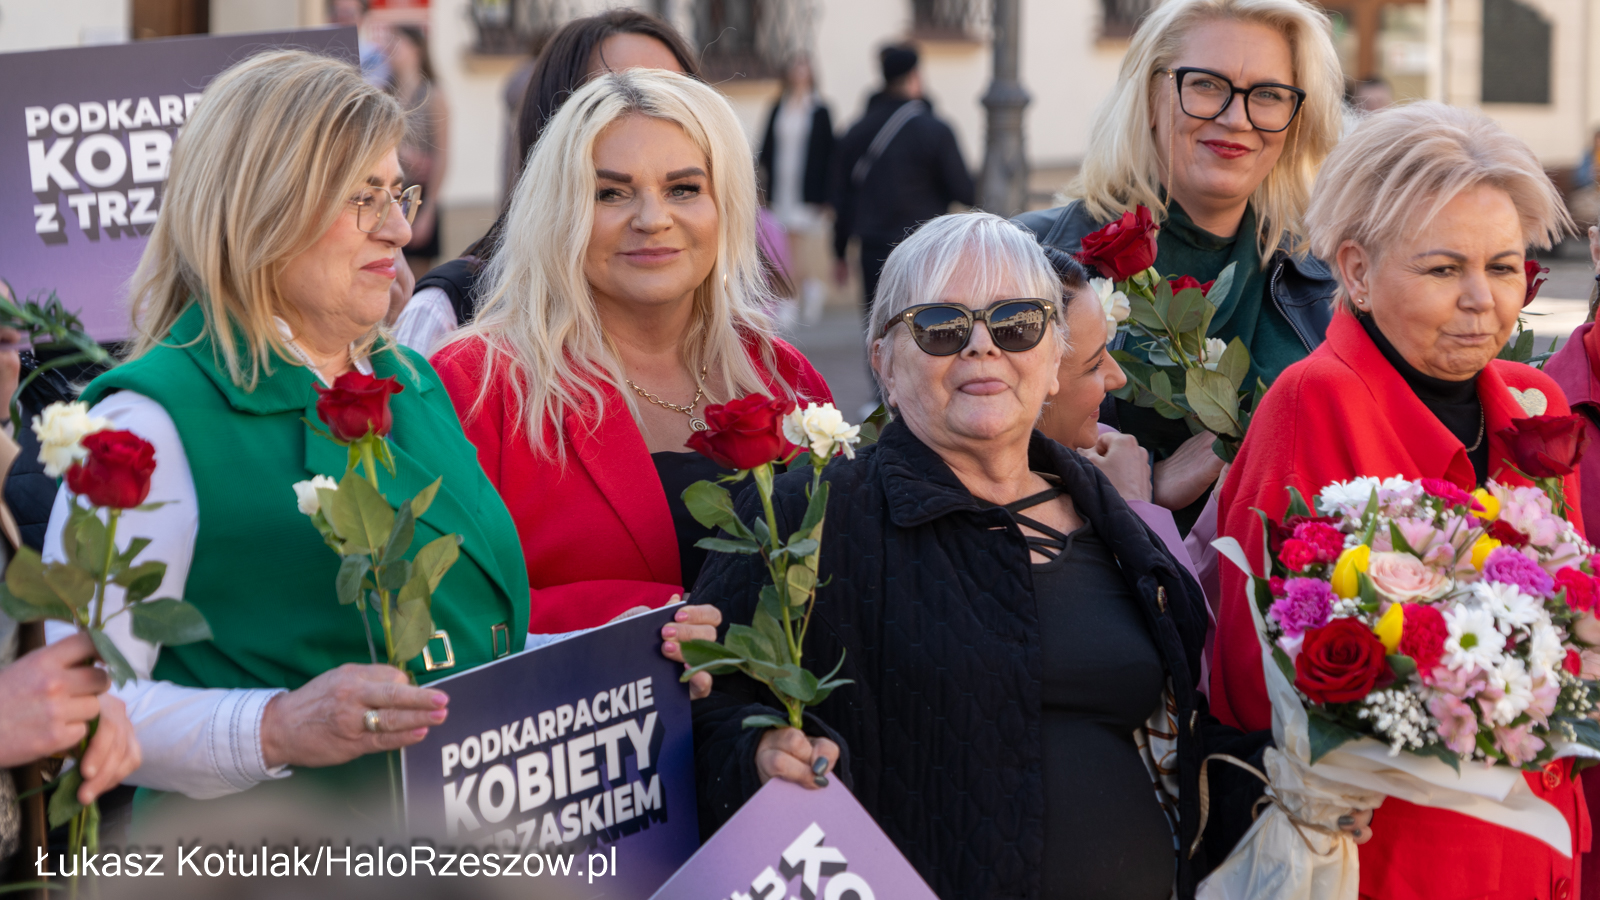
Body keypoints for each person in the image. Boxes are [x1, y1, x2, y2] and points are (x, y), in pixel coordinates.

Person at [33, 51, 700, 812]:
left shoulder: (411, 382)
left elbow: (459, 650)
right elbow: (74, 703)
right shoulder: (147, 422)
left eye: (398, 192)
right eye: (363, 198)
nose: (400, 227)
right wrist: (275, 728)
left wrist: (622, 649)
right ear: (260, 208)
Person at [693, 212, 1362, 900]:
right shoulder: (811, 515)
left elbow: (1171, 746)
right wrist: (759, 755)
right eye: (941, 326)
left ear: (1053, 360)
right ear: (883, 363)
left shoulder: (1111, 521)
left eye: (1016, 323)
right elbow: (704, 718)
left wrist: (1304, 776)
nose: (982, 345)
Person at [1213, 101, 1584, 900]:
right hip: (1397, 863)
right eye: (1443, 270)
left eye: (1504, 267)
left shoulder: (1533, 402)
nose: (1481, 299)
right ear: (1355, 271)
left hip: (1544, 848)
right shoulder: (1313, 401)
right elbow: (1249, 680)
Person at [432, 70, 831, 638]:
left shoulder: (782, 374)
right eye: (610, 193)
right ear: (559, 211)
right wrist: (654, 622)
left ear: (728, 205)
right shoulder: (476, 383)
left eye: (683, 189)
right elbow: (444, 613)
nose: (652, 219)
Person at [1013, 0, 1343, 530]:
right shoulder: (1027, 258)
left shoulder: (1331, 274)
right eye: (1207, 85)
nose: (1236, 119)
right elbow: (968, 453)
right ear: (1149, 97)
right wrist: (1142, 489)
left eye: (1267, 94)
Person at [395, 10, 699, 356]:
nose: (645, 116)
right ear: (552, 124)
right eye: (611, 98)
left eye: (676, 98)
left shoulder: (736, 323)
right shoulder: (453, 314)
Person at [831, 43, 975, 316]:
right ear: (914, 77)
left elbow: (841, 197)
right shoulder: (935, 129)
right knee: (926, 325)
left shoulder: (856, 132)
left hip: (873, 250)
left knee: (879, 326)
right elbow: (965, 191)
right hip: (924, 247)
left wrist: (839, 252)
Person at [759, 54, 835, 326]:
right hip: (781, 188)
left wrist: (828, 196)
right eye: (795, 66)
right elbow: (766, 149)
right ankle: (809, 288)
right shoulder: (778, 107)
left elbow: (829, 155)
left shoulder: (820, 110)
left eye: (804, 66)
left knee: (795, 242)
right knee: (786, 243)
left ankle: (792, 297)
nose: (799, 72)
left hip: (808, 190)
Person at [387, 26, 448, 280]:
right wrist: (401, 151)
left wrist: (429, 210)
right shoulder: (384, 91)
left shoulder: (432, 94)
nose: (389, 49)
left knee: (417, 278)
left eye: (396, 42)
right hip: (388, 196)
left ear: (416, 48)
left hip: (420, 196)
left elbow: (442, 155)